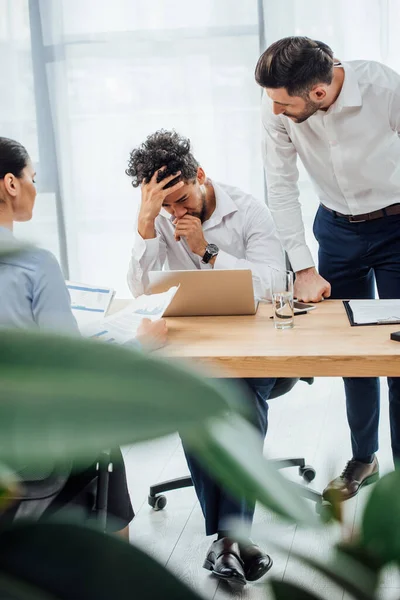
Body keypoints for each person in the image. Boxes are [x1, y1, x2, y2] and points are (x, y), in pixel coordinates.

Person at [126, 129, 286, 586]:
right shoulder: (157, 218)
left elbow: (276, 283)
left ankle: (227, 537)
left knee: (235, 392)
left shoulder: (248, 210)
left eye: (181, 199)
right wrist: (144, 227)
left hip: (257, 345)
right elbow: (140, 292)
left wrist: (207, 252)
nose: (176, 213)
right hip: (194, 346)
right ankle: (235, 541)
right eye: (166, 205)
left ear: (200, 174)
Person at [255, 36, 400, 501]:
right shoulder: (276, 107)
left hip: (397, 223)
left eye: (283, 103)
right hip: (337, 230)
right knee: (352, 352)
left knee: (397, 352)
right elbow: (280, 187)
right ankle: (364, 457)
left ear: (318, 93)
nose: (275, 110)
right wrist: (302, 267)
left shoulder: (382, 87)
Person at [0, 136, 167, 539]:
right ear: (10, 184)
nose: (35, 188)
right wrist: (141, 344)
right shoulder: (33, 263)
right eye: (33, 177)